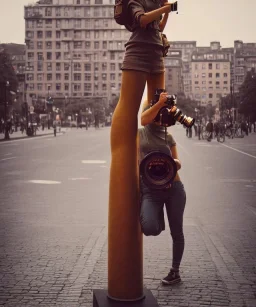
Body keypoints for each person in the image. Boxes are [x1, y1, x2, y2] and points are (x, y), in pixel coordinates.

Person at [138, 98, 186, 285]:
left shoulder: (168, 136)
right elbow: (143, 119)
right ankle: (158, 217)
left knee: (177, 232)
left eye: (162, 114)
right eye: (157, 113)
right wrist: (159, 103)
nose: (159, 117)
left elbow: (178, 162)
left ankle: (175, 272)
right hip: (150, 190)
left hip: (174, 188)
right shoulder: (140, 133)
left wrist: (174, 164)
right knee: (149, 227)